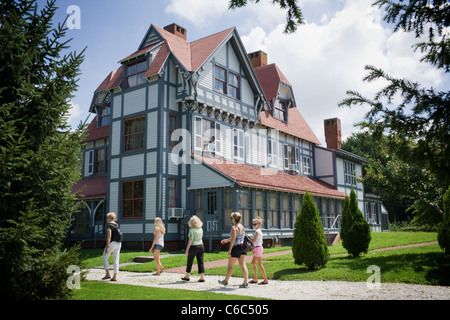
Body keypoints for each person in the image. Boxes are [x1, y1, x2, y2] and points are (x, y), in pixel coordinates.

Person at [218, 212, 249, 288]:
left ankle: (225, 281)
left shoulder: (234, 227)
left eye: (231, 218)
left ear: (234, 219)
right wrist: (227, 240)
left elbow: (234, 239)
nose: (231, 219)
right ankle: (245, 282)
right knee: (243, 265)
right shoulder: (242, 227)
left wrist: (229, 250)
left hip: (236, 247)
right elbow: (238, 237)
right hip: (243, 247)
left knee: (230, 266)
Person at [182, 215, 205, 282]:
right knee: (200, 262)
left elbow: (190, 240)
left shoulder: (192, 230)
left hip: (194, 246)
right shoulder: (201, 229)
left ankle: (187, 275)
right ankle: (202, 277)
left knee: (190, 261)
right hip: (201, 245)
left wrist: (187, 249)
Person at [102, 212, 122, 281]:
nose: (106, 219)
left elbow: (109, 237)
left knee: (104, 257)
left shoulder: (109, 226)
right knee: (116, 259)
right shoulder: (117, 225)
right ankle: (115, 276)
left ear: (109, 218)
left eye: (107, 217)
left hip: (112, 243)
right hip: (119, 243)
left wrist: (107, 247)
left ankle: (107, 274)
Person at [249, 217, 269, 285]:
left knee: (260, 264)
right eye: (253, 224)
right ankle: (255, 279)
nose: (253, 225)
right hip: (258, 248)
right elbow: (262, 241)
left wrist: (248, 242)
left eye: (255, 224)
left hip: (258, 248)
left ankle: (265, 280)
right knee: (253, 263)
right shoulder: (259, 231)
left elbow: (254, 241)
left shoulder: (257, 231)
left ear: (259, 224)